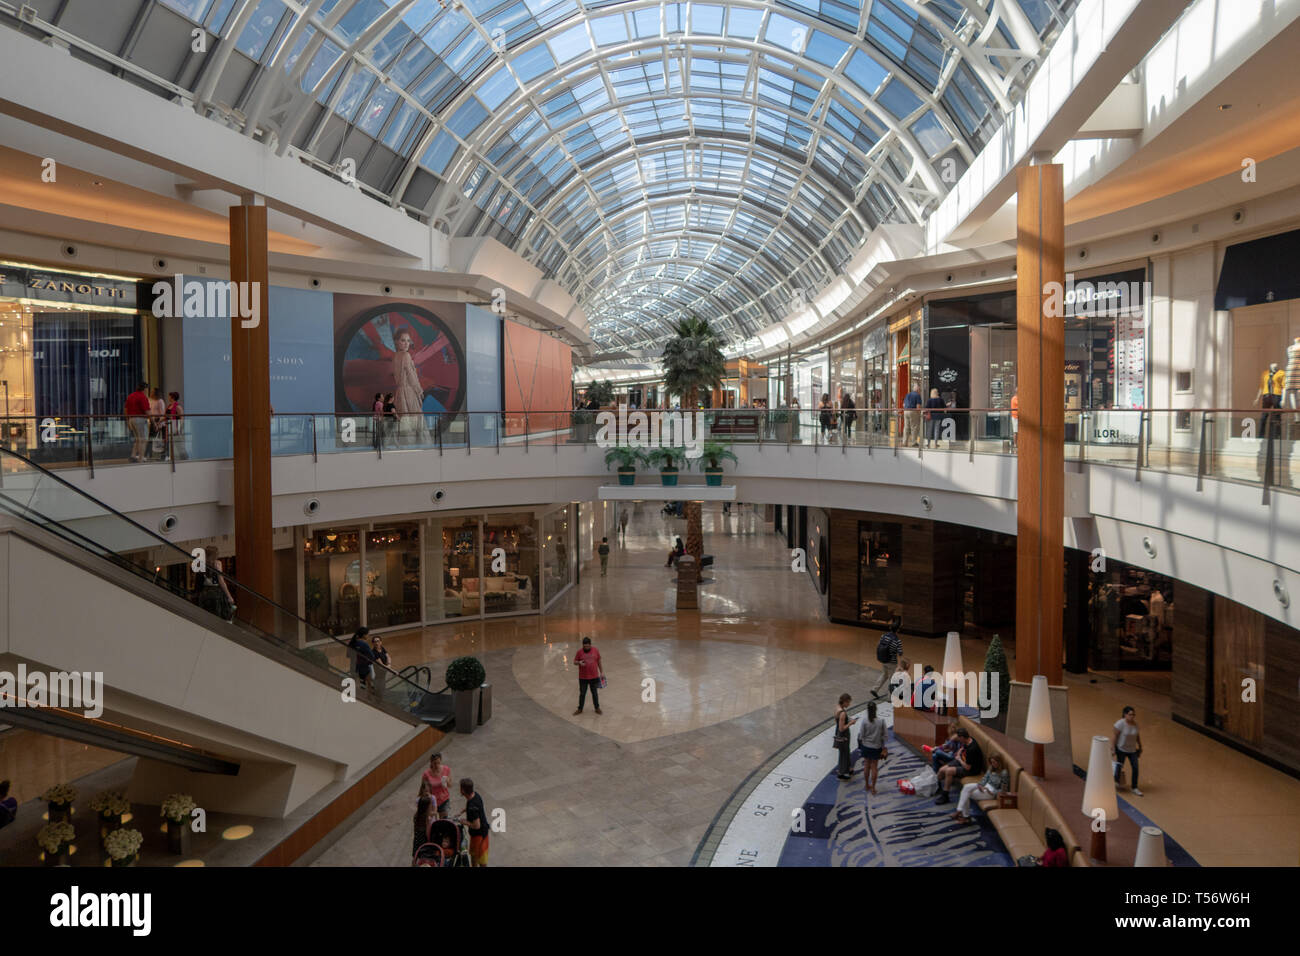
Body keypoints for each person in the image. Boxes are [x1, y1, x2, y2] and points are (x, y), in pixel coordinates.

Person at [392, 328, 430, 444]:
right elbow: (411, 376)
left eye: (408, 340)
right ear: (397, 342)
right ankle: (421, 448)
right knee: (416, 423)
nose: (406, 343)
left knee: (406, 424)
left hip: (400, 393)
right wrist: (419, 391)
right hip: (409, 393)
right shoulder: (406, 355)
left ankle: (407, 447)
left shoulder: (395, 356)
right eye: (403, 340)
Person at [953, 752, 1008, 823]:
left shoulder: (1004, 773)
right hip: (985, 786)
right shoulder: (991, 768)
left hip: (991, 792)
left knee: (966, 793)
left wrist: (993, 792)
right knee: (966, 787)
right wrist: (980, 785)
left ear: (999, 762)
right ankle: (960, 812)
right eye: (991, 762)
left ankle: (964, 816)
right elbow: (985, 778)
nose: (993, 764)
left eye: (994, 762)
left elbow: (1005, 790)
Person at [935, 727, 983, 804]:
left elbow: (968, 767)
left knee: (949, 771)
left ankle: (945, 795)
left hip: (972, 770)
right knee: (941, 770)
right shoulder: (968, 739)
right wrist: (959, 751)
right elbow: (962, 746)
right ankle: (936, 788)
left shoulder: (972, 749)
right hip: (962, 760)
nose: (958, 741)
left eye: (959, 739)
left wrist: (959, 759)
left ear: (963, 737)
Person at [456, 778, 490, 866]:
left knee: (478, 859)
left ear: (463, 790)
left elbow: (477, 825)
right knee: (475, 857)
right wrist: (462, 811)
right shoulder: (475, 795)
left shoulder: (472, 806)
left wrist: (464, 822)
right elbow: (471, 805)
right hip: (482, 832)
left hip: (479, 835)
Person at [195, 546, 235, 621]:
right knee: (217, 616)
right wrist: (229, 596)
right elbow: (221, 581)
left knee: (206, 617)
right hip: (216, 593)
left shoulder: (200, 564)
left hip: (204, 593)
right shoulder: (217, 564)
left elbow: (198, 581)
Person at [1112, 705, 1144, 796]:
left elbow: (1137, 736)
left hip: (1132, 750)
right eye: (1130, 714)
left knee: (1135, 768)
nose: (1132, 716)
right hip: (1121, 749)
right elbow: (1115, 736)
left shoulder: (1136, 725)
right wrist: (1113, 748)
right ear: (1125, 715)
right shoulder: (1120, 724)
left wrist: (1140, 746)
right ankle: (1117, 782)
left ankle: (1134, 787)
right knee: (1119, 766)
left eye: (1133, 715)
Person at [857, 701, 887, 794]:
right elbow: (885, 736)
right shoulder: (881, 721)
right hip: (876, 747)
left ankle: (866, 785)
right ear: (876, 709)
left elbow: (861, 735)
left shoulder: (865, 721)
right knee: (874, 767)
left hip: (866, 746)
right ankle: (873, 788)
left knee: (866, 765)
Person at [872, 617, 902, 698]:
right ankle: (890, 697)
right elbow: (900, 652)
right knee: (892, 679)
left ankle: (875, 689)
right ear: (897, 630)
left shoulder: (883, 636)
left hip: (883, 659)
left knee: (884, 675)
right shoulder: (897, 640)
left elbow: (879, 644)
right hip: (892, 662)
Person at [573, 636, 604, 715]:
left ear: (590, 645)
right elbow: (574, 662)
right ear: (583, 645)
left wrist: (602, 672)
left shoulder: (595, 650)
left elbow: (599, 661)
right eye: (584, 646)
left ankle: (597, 708)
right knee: (582, 693)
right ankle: (580, 709)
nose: (586, 647)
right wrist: (579, 663)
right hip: (583, 678)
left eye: (587, 646)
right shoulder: (579, 652)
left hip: (594, 677)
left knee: (594, 693)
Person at [124, 381, 151, 462]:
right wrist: (153, 421)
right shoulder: (142, 397)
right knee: (143, 439)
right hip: (140, 419)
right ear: (145, 389)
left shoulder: (131, 396)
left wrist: (128, 420)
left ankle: (133, 455)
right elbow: (147, 411)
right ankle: (141, 458)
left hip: (131, 419)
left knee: (138, 439)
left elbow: (126, 409)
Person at [833, 693, 857, 780]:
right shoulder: (842, 713)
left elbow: (838, 721)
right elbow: (842, 728)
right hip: (844, 735)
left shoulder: (838, 708)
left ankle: (846, 769)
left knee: (843, 752)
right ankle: (842, 772)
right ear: (845, 702)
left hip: (839, 735)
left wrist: (847, 719)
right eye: (848, 702)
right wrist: (851, 723)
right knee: (844, 752)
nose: (849, 704)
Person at [422, 753, 452, 819]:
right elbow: (423, 788)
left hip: (444, 799)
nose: (437, 765)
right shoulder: (426, 774)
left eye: (438, 763)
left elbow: (450, 785)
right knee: (433, 822)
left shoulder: (446, 769)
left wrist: (447, 781)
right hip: (432, 801)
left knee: (443, 821)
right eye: (435, 763)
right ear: (431, 763)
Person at [349, 626, 376, 692]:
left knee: (362, 682)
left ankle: (363, 694)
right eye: (368, 634)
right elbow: (372, 656)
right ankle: (369, 697)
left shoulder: (354, 642)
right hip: (365, 666)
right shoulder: (364, 644)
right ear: (364, 635)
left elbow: (350, 655)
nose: (368, 635)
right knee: (369, 683)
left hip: (357, 666)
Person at [412, 794, 433, 860]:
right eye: (430, 805)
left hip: (417, 839)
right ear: (427, 807)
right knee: (423, 858)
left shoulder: (416, 815)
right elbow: (427, 833)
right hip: (424, 841)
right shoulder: (427, 818)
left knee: (416, 856)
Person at [166, 391, 184, 459]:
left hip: (174, 426)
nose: (168, 397)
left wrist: (179, 428)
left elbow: (182, 418)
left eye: (169, 396)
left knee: (178, 445)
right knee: (171, 444)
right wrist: (159, 422)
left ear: (172, 397)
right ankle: (171, 458)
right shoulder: (169, 406)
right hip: (169, 426)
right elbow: (165, 416)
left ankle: (182, 458)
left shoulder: (178, 406)